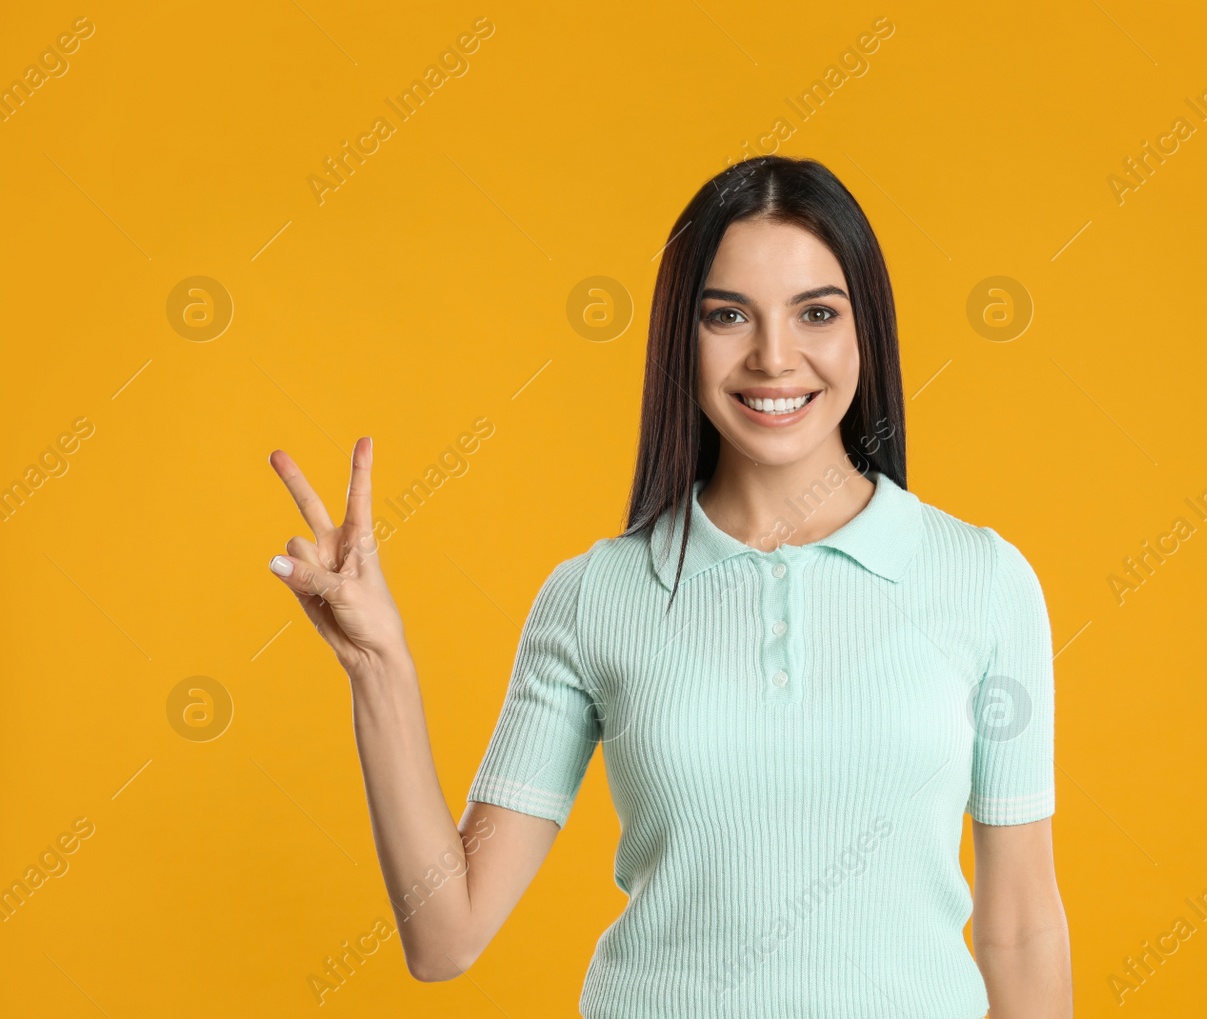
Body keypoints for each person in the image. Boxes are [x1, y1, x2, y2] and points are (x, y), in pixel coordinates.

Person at [266, 155, 1071, 1017]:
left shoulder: (983, 580)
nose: (774, 357)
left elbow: (1020, 928)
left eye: (817, 313)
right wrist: (378, 663)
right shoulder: (595, 597)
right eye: (728, 315)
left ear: (864, 330)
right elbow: (444, 935)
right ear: (678, 338)